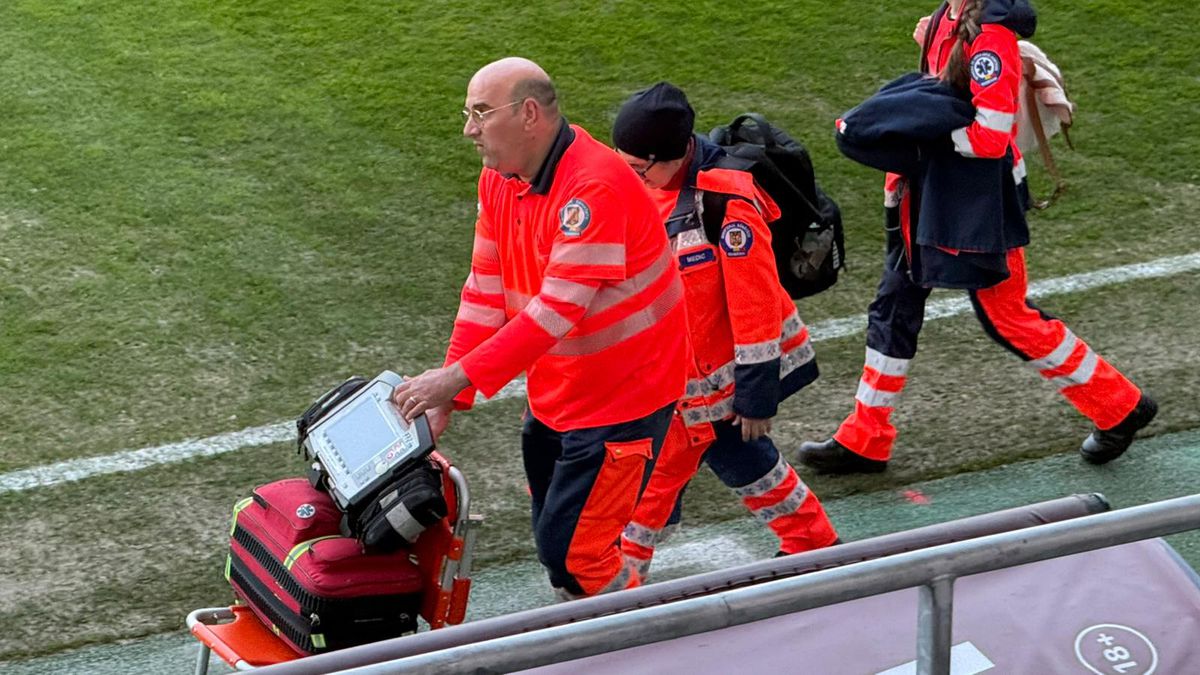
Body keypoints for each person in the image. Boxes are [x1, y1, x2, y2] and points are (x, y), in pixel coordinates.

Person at [795, 0, 1156, 475]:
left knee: (1007, 317)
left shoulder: (992, 38)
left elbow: (990, 135)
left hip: (975, 201)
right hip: (930, 195)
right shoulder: (952, 13)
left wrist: (917, 145)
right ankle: (866, 435)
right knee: (895, 304)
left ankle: (1120, 406)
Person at [391, 58, 689, 599]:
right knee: (563, 547)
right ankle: (598, 629)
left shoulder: (593, 189)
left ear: (529, 114)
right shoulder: (500, 180)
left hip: (626, 397)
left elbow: (555, 312)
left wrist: (455, 380)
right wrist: (449, 395)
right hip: (563, 392)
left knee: (574, 552)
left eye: (481, 113)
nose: (469, 129)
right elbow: (484, 289)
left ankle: (648, 639)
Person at [611, 82, 839, 578]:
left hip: (719, 380)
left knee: (657, 474)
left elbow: (754, 305)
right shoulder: (655, 183)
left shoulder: (727, 205)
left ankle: (618, 576)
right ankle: (814, 543)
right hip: (684, 377)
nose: (627, 176)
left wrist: (756, 399)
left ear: (670, 156)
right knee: (737, 459)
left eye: (636, 167)